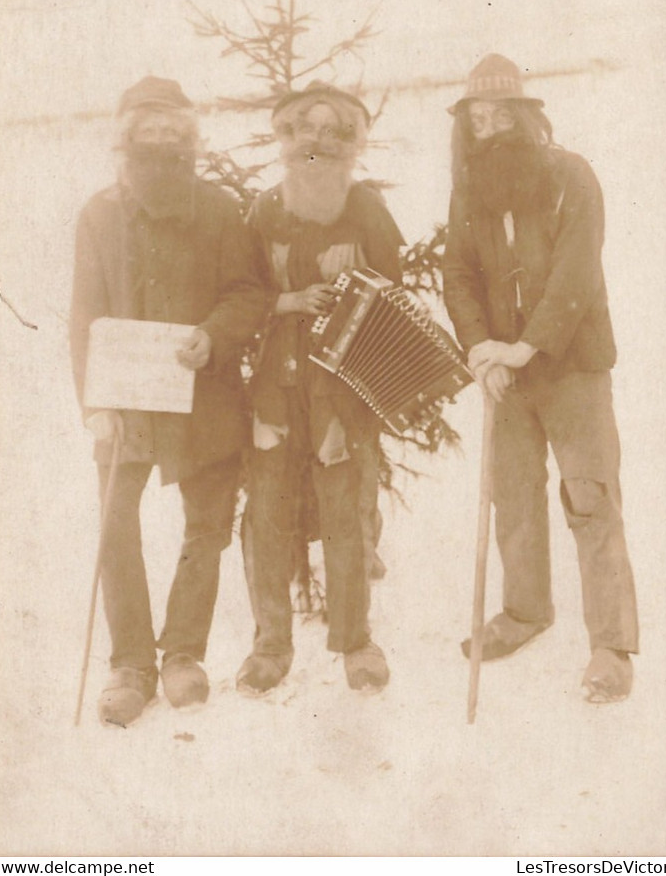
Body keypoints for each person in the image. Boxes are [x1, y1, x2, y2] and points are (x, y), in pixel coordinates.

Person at [70, 76, 267, 726]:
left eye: (170, 129)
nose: (159, 138)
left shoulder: (215, 209)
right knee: (114, 524)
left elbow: (247, 294)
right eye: (146, 127)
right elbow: (85, 315)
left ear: (187, 137)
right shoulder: (100, 214)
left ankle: (183, 652)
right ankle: (130, 663)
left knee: (205, 526)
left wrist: (211, 336)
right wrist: (93, 402)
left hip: (203, 392)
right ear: (126, 137)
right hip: (124, 398)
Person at [442, 54, 639, 703]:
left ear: (527, 117)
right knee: (514, 493)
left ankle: (610, 647)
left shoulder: (568, 176)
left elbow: (575, 273)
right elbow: (458, 277)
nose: (490, 127)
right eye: (478, 117)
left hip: (571, 365)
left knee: (590, 498)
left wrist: (525, 347)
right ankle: (524, 611)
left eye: (503, 114)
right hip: (504, 369)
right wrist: (480, 349)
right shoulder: (468, 190)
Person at [236, 81, 404, 694]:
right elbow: (238, 294)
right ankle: (270, 645)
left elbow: (395, 287)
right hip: (278, 379)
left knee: (346, 504)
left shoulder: (365, 205)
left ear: (350, 143)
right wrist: (285, 299)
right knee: (268, 505)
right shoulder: (263, 209)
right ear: (289, 137)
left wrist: (357, 270)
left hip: (342, 381)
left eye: (335, 131)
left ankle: (356, 642)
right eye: (309, 127)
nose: (320, 140)